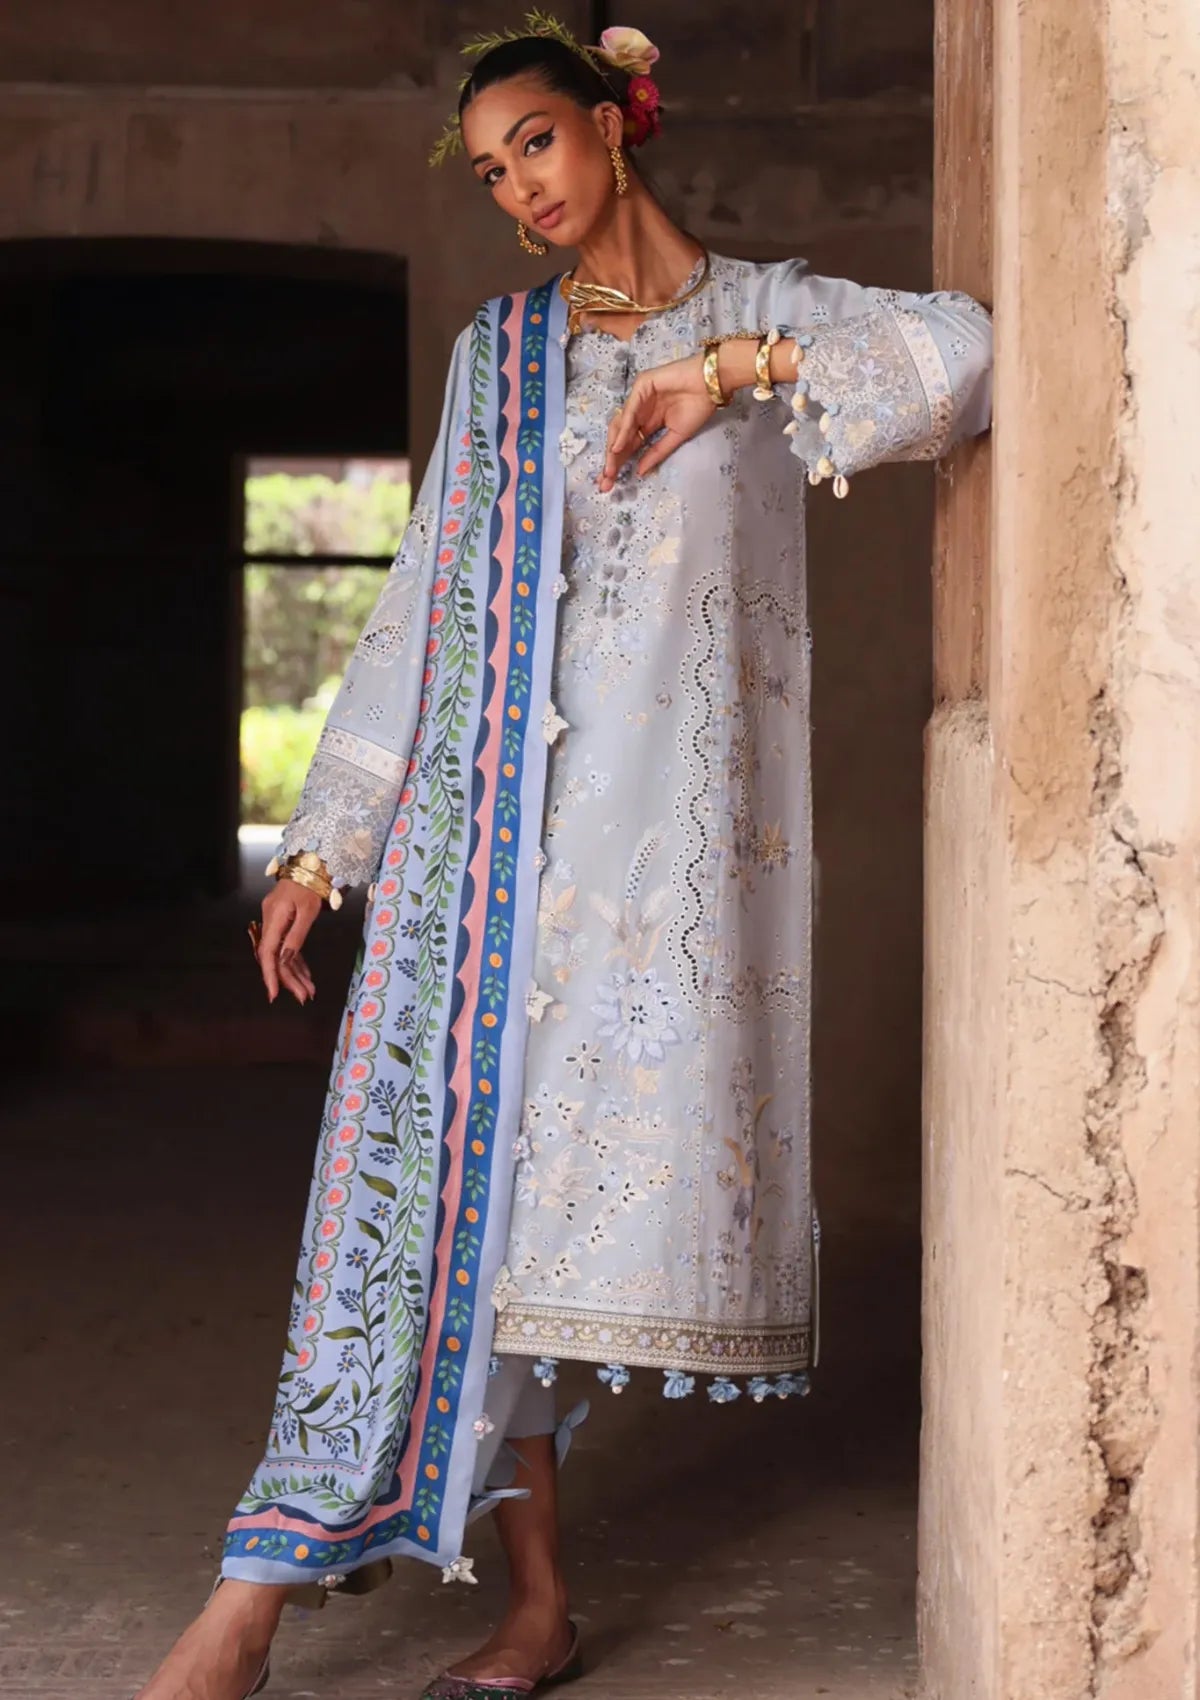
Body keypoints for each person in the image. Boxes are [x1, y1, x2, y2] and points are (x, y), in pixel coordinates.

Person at [135, 14, 992, 1700]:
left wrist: (728, 373)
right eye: (489, 172)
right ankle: (279, 1593)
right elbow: (421, 596)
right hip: (488, 860)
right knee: (436, 1215)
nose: (519, 188)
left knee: (522, 1240)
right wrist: (326, 840)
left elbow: (966, 358)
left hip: (665, 877)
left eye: (535, 141)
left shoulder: (769, 315)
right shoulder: (503, 356)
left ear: (615, 120)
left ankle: (519, 1614)